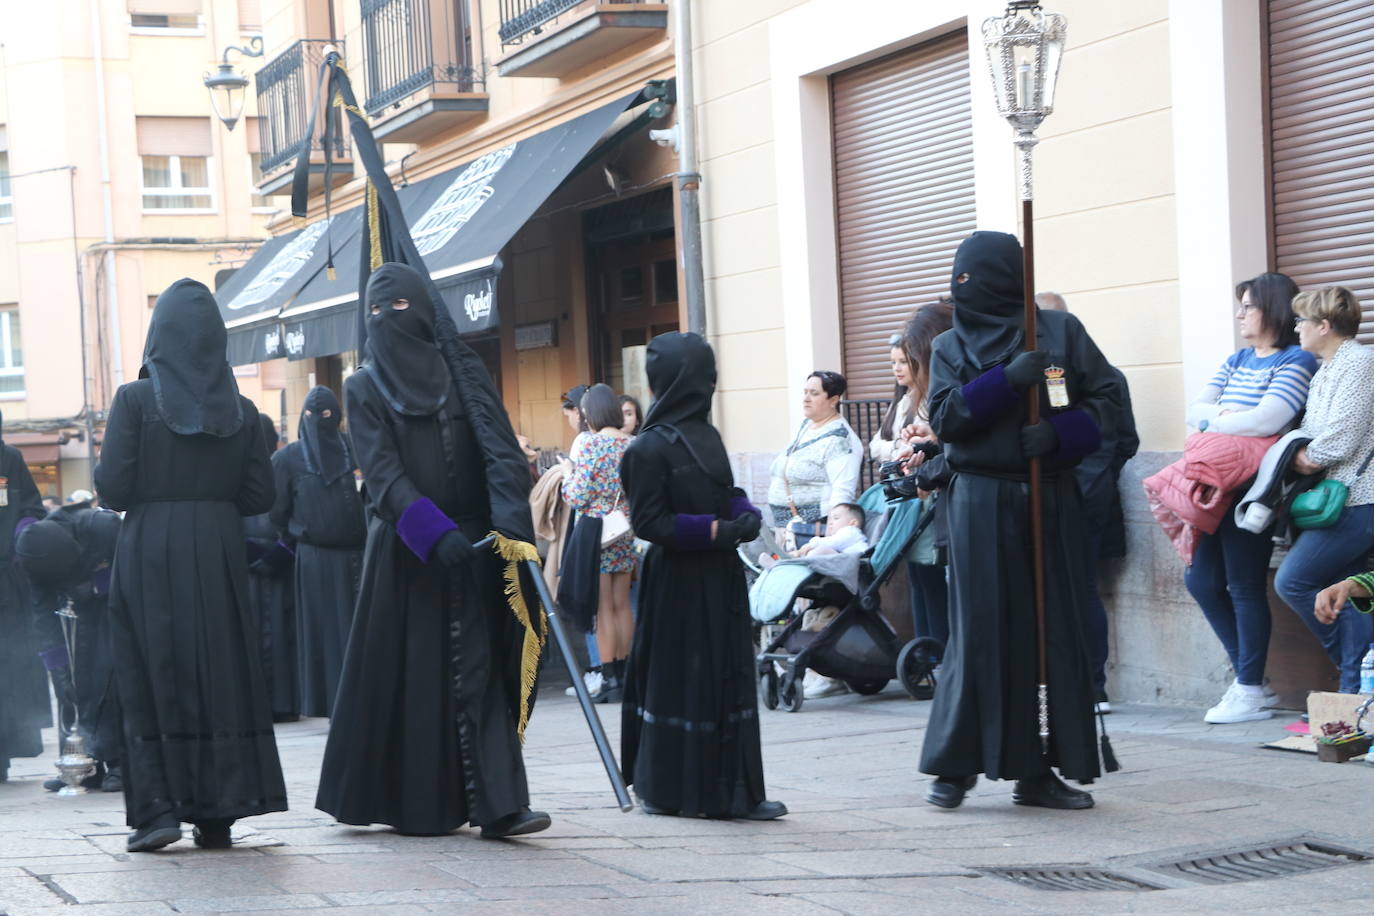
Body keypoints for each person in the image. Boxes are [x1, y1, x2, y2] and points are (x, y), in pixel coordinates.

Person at [316, 262, 549, 839]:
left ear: (419, 308)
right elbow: (383, 473)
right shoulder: (363, 386)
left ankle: (499, 805)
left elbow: (499, 451)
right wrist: (430, 531)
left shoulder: (463, 372)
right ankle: (418, 803)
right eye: (374, 310)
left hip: (475, 546)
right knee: (415, 679)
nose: (385, 321)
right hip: (407, 551)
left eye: (396, 307)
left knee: (481, 672)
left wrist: (509, 530)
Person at [919, 231, 1123, 812]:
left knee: (1048, 629)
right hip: (980, 503)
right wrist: (1004, 381)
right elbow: (946, 417)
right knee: (980, 631)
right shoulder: (949, 347)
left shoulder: (1061, 333)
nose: (962, 289)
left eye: (973, 277)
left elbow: (1108, 402)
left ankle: (1039, 770)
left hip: (1047, 498)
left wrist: (1060, 433)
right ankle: (956, 766)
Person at [94, 278, 285, 853]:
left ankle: (157, 813)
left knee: (152, 670)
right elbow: (259, 497)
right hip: (220, 549)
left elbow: (111, 487)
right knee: (222, 673)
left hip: (150, 547)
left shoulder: (134, 400)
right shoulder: (245, 411)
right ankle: (218, 813)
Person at [620, 331, 786, 821]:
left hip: (719, 577)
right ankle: (672, 790)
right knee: (683, 680)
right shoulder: (645, 450)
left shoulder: (706, 435)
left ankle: (736, 791)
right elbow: (650, 523)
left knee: (726, 677)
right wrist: (717, 529)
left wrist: (746, 511)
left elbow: (725, 488)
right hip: (677, 584)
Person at [1183, 272, 1316, 724]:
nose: (1240, 314)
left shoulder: (1296, 361)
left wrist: (1216, 418)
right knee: (1200, 581)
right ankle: (1252, 681)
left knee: (1242, 585)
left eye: (1249, 305)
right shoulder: (1237, 359)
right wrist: (1228, 414)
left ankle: (1248, 686)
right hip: (1213, 482)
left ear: (1274, 309)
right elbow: (1194, 409)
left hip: (1254, 488)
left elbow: (1269, 420)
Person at [1037, 292, 1140, 714]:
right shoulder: (1050, 376)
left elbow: (1122, 442)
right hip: (1068, 493)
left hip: (1080, 497)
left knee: (1078, 591)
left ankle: (1092, 687)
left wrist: (1088, 481)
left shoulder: (1091, 377)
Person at [1272, 287, 1374, 693]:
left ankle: (1354, 674)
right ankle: (1356, 690)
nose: (1296, 328)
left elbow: (1340, 439)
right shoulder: (1328, 367)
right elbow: (1312, 432)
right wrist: (1297, 450)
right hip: (1338, 498)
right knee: (1349, 595)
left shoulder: (1359, 362)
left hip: (1358, 498)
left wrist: (1296, 457)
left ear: (1324, 326)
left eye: (1302, 321)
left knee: (1292, 580)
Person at [766, 369, 863, 699]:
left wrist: (831, 534)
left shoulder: (839, 438)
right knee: (799, 601)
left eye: (814, 393)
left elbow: (842, 489)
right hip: (791, 528)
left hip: (816, 529)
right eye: (805, 391)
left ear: (834, 400)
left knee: (816, 598)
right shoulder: (808, 426)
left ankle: (827, 671)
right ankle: (806, 662)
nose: (806, 398)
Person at [270, 387, 366, 718]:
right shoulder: (288, 460)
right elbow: (276, 511)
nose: (320, 423)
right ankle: (333, 704)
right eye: (314, 416)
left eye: (326, 415)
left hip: (361, 556)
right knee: (325, 632)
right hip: (316, 561)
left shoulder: (355, 449)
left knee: (361, 628)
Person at [16, 504, 124, 793]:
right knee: (73, 687)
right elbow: (42, 613)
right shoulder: (34, 553)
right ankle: (81, 762)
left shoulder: (103, 526)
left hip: (114, 611)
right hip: (73, 615)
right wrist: (57, 666)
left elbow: (135, 566)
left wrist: (96, 586)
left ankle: (119, 762)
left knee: (108, 679)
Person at [561, 384, 635, 704]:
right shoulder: (633, 445)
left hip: (597, 534)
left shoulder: (592, 446)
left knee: (603, 609)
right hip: (625, 531)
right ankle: (628, 675)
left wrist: (567, 476)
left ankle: (609, 680)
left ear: (591, 413)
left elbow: (576, 496)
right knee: (623, 607)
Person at [895, 302, 956, 661]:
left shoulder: (953, 384)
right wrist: (931, 445)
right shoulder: (933, 391)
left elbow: (968, 452)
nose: (904, 369)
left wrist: (927, 472)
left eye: (910, 360)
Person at [0, 412, 49, 784]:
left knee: (10, 668)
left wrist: (23, 533)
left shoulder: (10, 460)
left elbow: (32, 508)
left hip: (7, 585)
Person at [245, 413, 300, 722]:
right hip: (273, 566)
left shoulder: (237, 472)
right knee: (278, 635)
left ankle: (266, 702)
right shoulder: (285, 467)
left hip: (260, 568)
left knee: (266, 634)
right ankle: (281, 702)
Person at [795, 502, 868, 557]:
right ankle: (799, 556)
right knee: (818, 550)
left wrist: (814, 543)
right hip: (847, 561)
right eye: (830, 519)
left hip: (856, 563)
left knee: (821, 550)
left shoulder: (851, 531)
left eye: (836, 518)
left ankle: (800, 557)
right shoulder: (847, 534)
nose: (830, 523)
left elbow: (835, 542)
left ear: (853, 523)